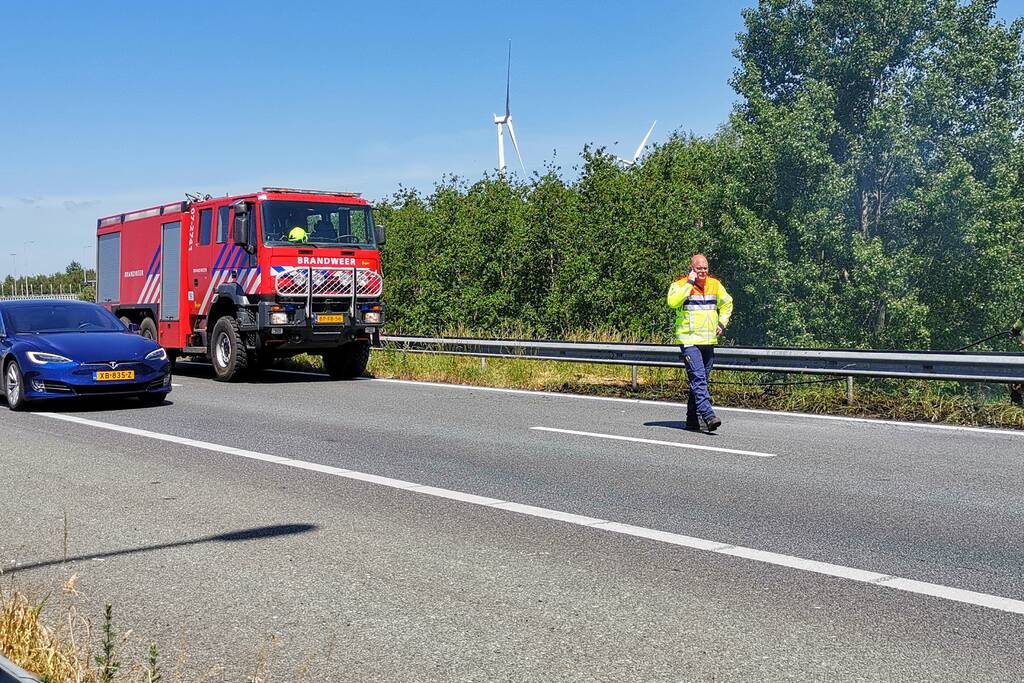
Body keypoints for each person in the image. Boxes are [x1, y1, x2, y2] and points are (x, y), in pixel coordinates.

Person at [666, 254, 734, 431]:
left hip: (709, 340)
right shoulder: (680, 285)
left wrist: (722, 323)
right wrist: (689, 283)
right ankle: (708, 415)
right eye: (699, 268)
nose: (703, 271)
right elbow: (672, 302)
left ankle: (692, 419)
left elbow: (728, 303)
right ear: (691, 268)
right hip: (689, 340)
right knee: (699, 378)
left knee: (699, 380)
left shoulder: (714, 284)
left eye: (705, 268)